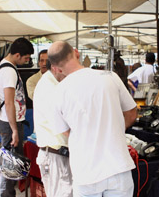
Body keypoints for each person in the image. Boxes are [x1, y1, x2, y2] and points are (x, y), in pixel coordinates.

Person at [48, 41, 137, 196]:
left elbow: (65, 131)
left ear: (56, 68)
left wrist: (88, 135)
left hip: (86, 171)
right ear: (76, 52)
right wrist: (112, 131)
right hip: (118, 167)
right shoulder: (110, 77)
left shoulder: (58, 92)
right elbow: (131, 113)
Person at [0, 37, 33, 197]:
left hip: (9, 121)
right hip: (10, 123)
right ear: (17, 55)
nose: (28, 60)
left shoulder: (4, 67)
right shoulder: (9, 71)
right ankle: (6, 194)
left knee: (10, 161)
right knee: (11, 163)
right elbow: (9, 102)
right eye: (26, 57)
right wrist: (14, 130)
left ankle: (7, 192)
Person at [33, 59, 72, 197]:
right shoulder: (51, 88)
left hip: (56, 154)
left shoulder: (52, 83)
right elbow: (64, 126)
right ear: (56, 68)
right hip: (56, 155)